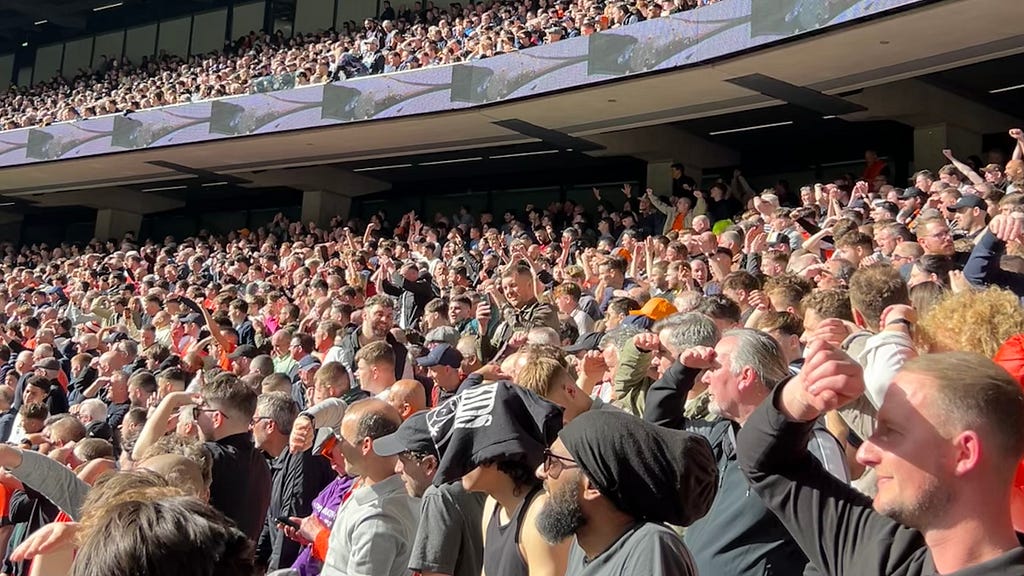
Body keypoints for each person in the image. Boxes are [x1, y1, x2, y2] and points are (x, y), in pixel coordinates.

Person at [737, 342, 1024, 575]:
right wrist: (804, 392)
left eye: (891, 432)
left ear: (963, 453)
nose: (865, 453)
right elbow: (766, 463)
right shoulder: (883, 551)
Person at [643, 328, 848, 576]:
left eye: (713, 368)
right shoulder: (720, 434)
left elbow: (836, 541)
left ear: (746, 376)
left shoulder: (811, 442)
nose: (705, 378)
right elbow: (661, 431)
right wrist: (682, 371)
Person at [535, 409, 718, 575]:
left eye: (553, 462)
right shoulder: (584, 545)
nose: (541, 471)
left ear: (591, 485)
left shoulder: (650, 549)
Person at [286, 399, 419, 576]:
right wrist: (307, 418)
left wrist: (319, 536)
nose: (339, 448)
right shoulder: (371, 485)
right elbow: (338, 408)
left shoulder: (377, 521)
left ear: (366, 445)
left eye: (342, 439)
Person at [133, 374, 271, 542]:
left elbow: (140, 454)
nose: (195, 419)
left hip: (205, 561)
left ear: (216, 418)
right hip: (240, 562)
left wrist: (171, 400)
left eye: (198, 412)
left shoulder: (207, 455)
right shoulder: (260, 461)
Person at [373, 411, 486, 576]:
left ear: (429, 465)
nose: (397, 469)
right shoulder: (478, 483)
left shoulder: (439, 497)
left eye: (403, 461)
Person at [254, 392, 334, 572]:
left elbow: (289, 522)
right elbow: (271, 520)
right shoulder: (276, 460)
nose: (251, 427)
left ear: (269, 425)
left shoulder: (300, 457)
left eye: (254, 421)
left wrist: (276, 572)